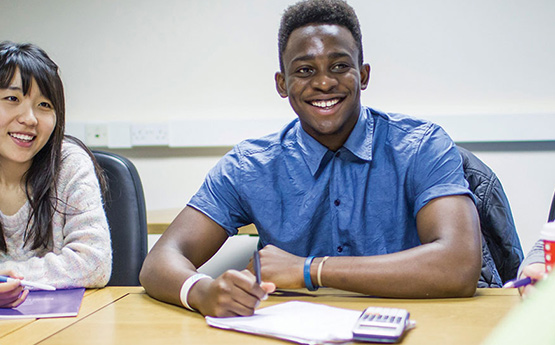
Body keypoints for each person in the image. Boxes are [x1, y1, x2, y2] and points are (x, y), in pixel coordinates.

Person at [140, 0, 481, 317]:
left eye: (339, 66)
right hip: (295, 332)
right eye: (304, 70)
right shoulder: (251, 165)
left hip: (414, 325)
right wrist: (203, 292)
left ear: (363, 75)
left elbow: (459, 266)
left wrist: (309, 269)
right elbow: (159, 262)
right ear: (282, 83)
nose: (323, 82)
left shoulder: (422, 146)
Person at [0, 41, 112, 308]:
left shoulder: (69, 163)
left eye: (44, 104)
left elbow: (94, 262)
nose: (29, 118)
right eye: (12, 99)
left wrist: (11, 276)